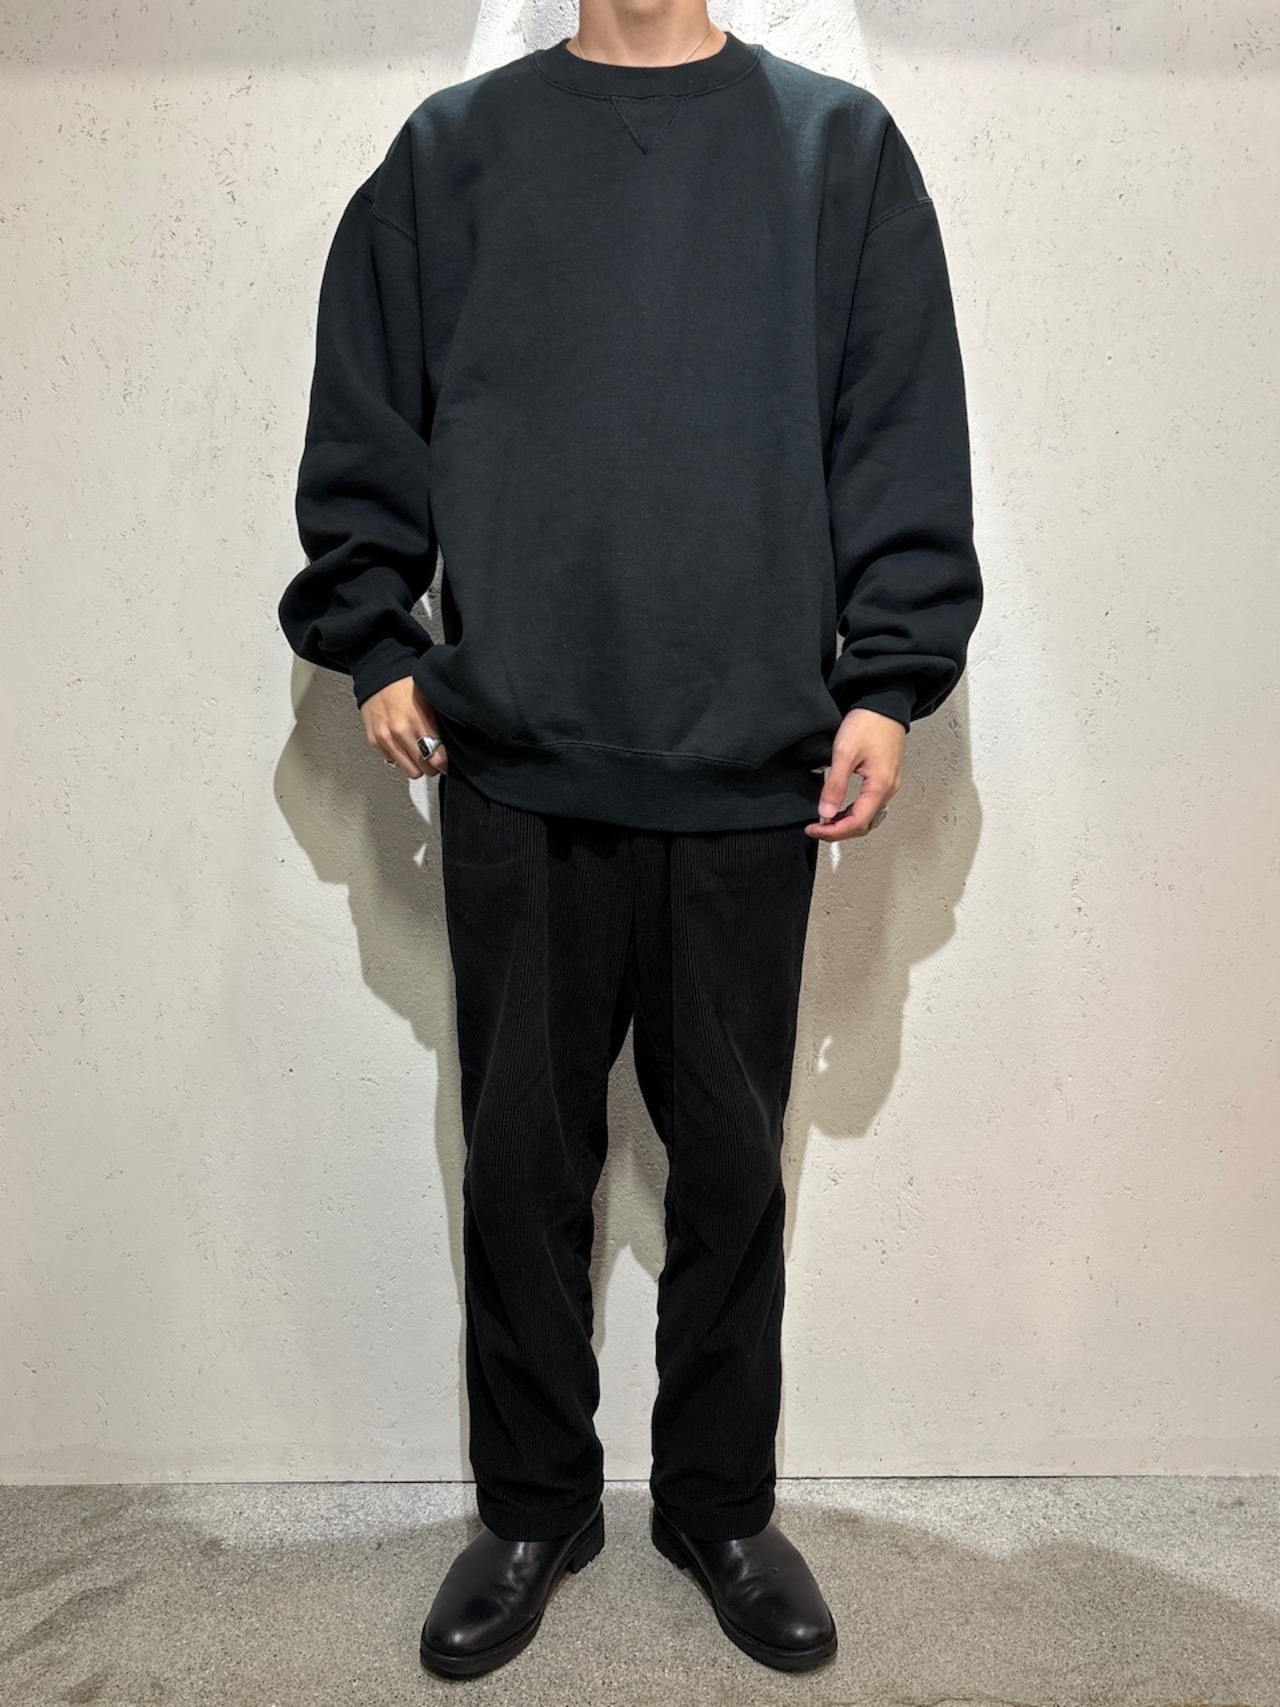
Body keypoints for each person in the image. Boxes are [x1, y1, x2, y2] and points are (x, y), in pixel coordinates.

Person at [278, 1, 983, 1681]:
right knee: (522, 1162)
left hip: (748, 760)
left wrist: (889, 677)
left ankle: (719, 1505)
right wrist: (376, 636)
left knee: (732, 1164)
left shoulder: (834, 154)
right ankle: (534, 1506)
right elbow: (370, 407)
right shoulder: (454, 156)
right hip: (517, 757)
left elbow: (896, 417)